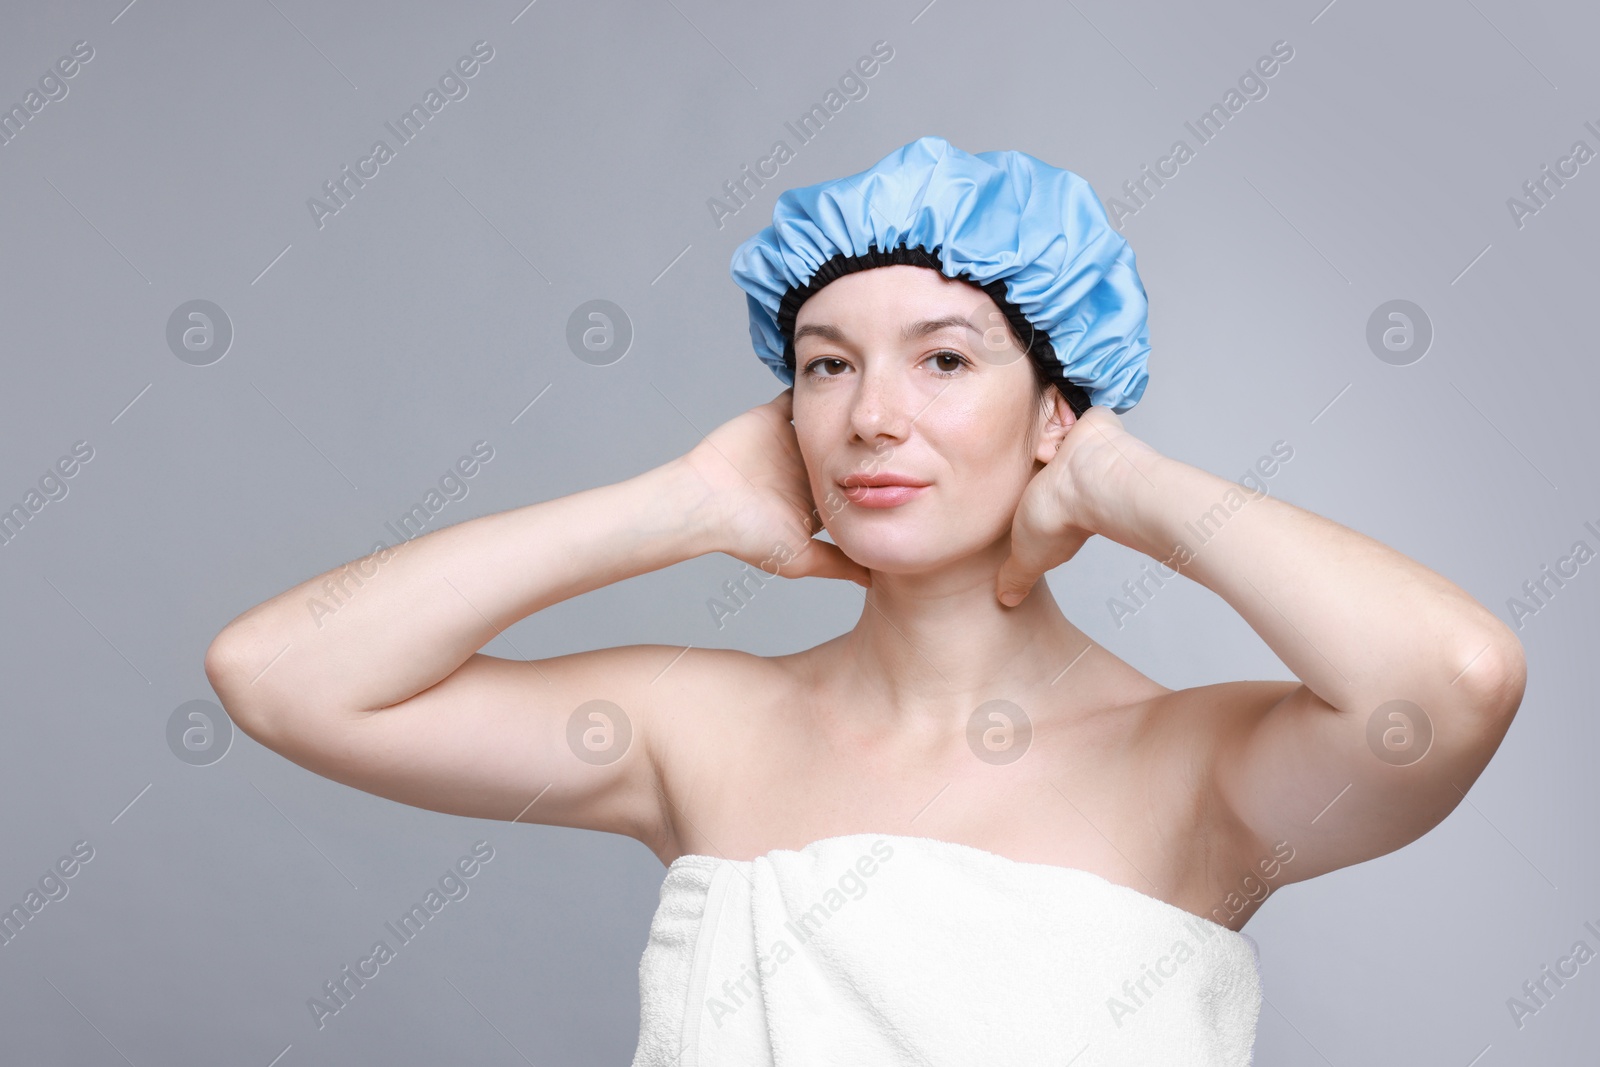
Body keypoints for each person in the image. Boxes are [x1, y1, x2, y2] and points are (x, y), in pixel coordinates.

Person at [204, 136, 1526, 1064]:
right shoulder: (699, 726)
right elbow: (282, 675)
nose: (873, 414)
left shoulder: (1194, 768)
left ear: (1056, 404)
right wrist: (678, 504)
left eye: (945, 359)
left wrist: (1127, 480)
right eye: (826, 366)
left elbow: (1454, 680)